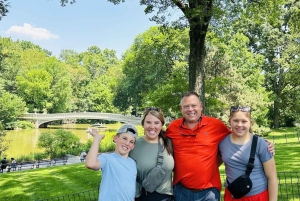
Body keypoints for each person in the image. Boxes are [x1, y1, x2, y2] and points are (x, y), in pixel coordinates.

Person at [165, 91, 275, 201]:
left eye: (194, 105)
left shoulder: (216, 125)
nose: (190, 109)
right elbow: (159, 141)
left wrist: (261, 143)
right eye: (186, 106)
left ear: (200, 106)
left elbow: (238, 134)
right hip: (182, 191)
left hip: (209, 191)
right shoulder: (173, 127)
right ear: (181, 108)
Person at [219, 106, 277, 201]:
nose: (239, 125)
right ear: (230, 122)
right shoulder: (222, 143)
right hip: (232, 196)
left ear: (250, 123)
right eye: (236, 121)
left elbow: (272, 177)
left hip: (257, 197)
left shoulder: (261, 144)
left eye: (244, 121)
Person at [130, 107, 174, 201]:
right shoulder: (134, 145)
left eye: (156, 123)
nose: (152, 126)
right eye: (148, 122)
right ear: (143, 124)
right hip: (143, 196)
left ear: (162, 124)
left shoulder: (169, 143)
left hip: (167, 197)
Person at [85, 124, 138, 201]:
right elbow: (90, 164)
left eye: (131, 142)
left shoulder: (132, 163)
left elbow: (130, 189)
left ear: (133, 146)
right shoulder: (107, 158)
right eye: (124, 138)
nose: (127, 143)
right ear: (115, 138)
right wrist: (97, 139)